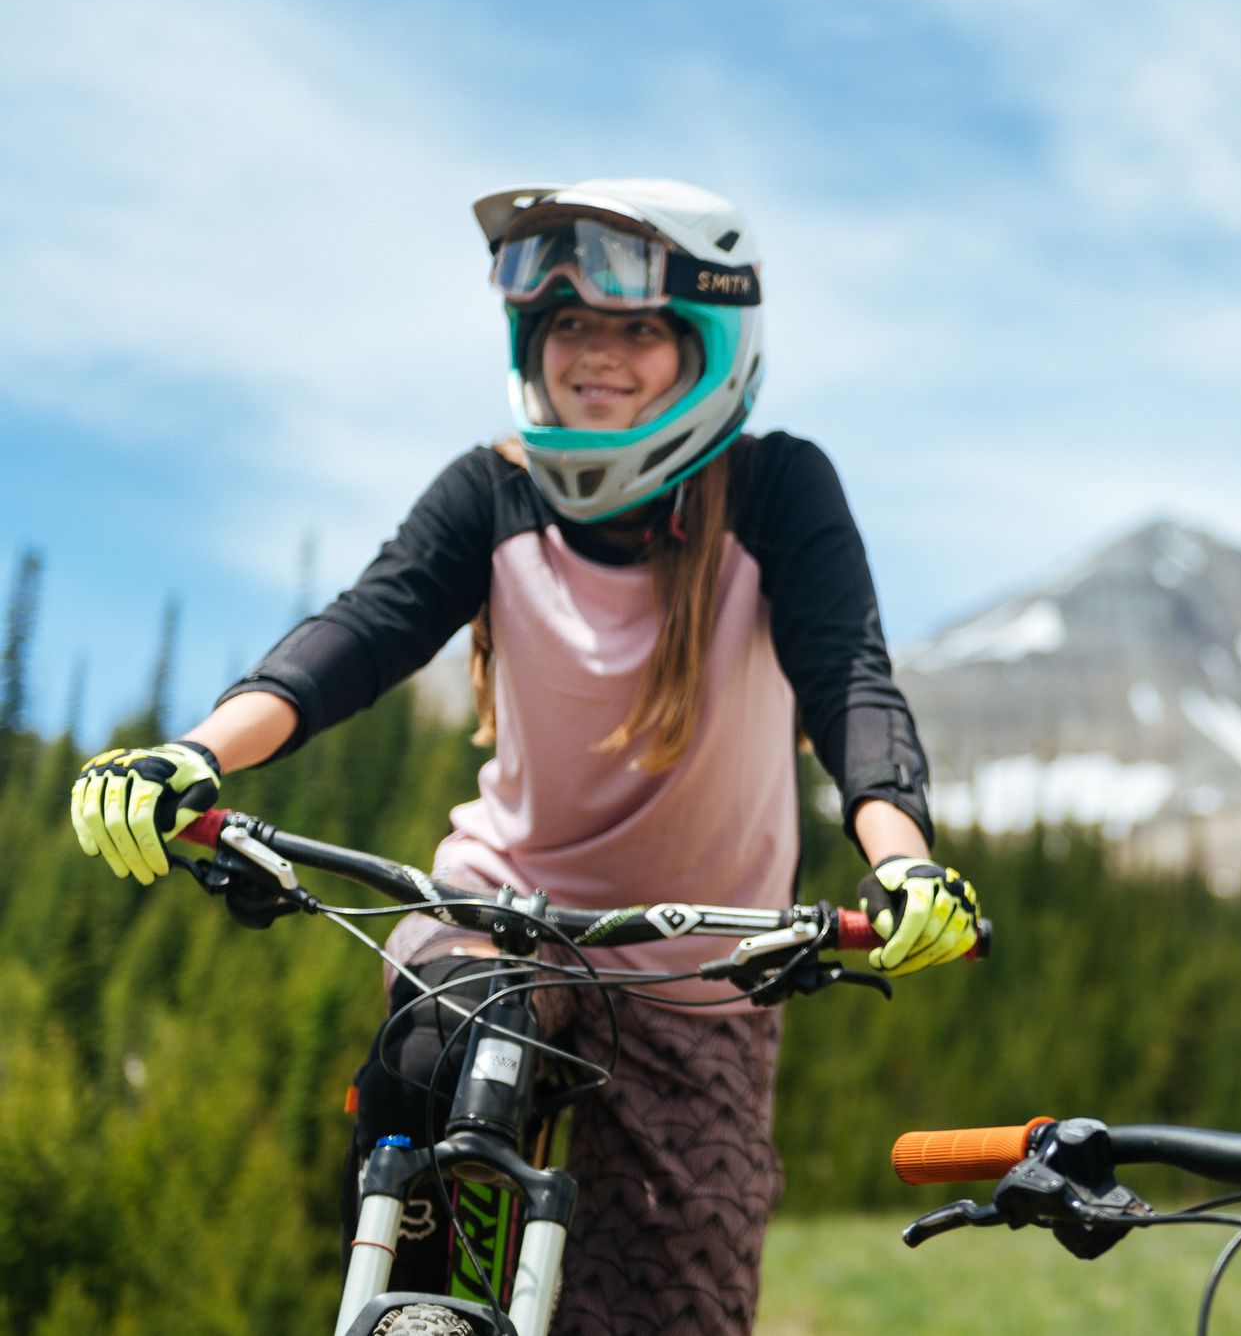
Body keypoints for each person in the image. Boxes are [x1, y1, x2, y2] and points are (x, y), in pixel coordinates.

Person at [68, 177, 981, 1334]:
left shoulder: (776, 492)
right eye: (568, 323)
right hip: (503, 913)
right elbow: (363, 630)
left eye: (636, 328)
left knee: (675, 1307)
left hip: (706, 972)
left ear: (708, 344)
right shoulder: (490, 491)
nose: (594, 355)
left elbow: (851, 680)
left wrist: (901, 860)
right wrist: (191, 756)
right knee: (442, 1037)